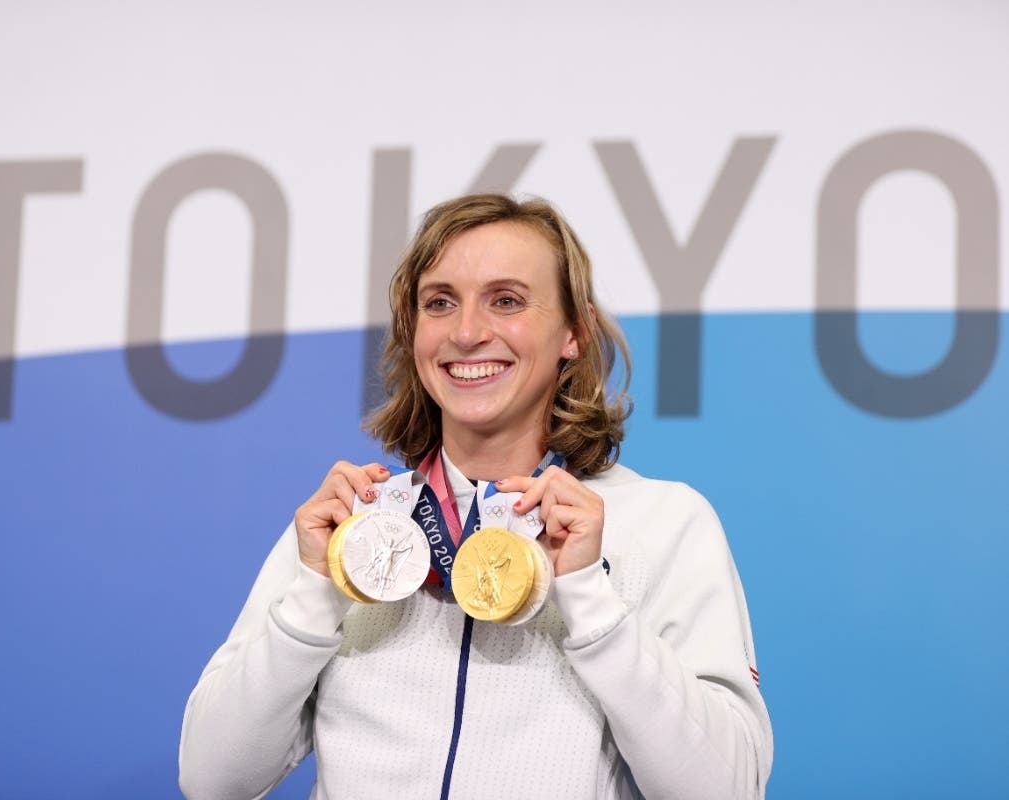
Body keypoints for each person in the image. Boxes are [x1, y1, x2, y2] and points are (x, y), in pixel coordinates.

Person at [178, 194, 773, 799]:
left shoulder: (664, 523)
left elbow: (728, 788)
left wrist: (592, 601)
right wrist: (315, 595)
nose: (466, 333)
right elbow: (211, 781)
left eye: (507, 300)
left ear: (574, 331)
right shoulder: (354, 530)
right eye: (440, 303)